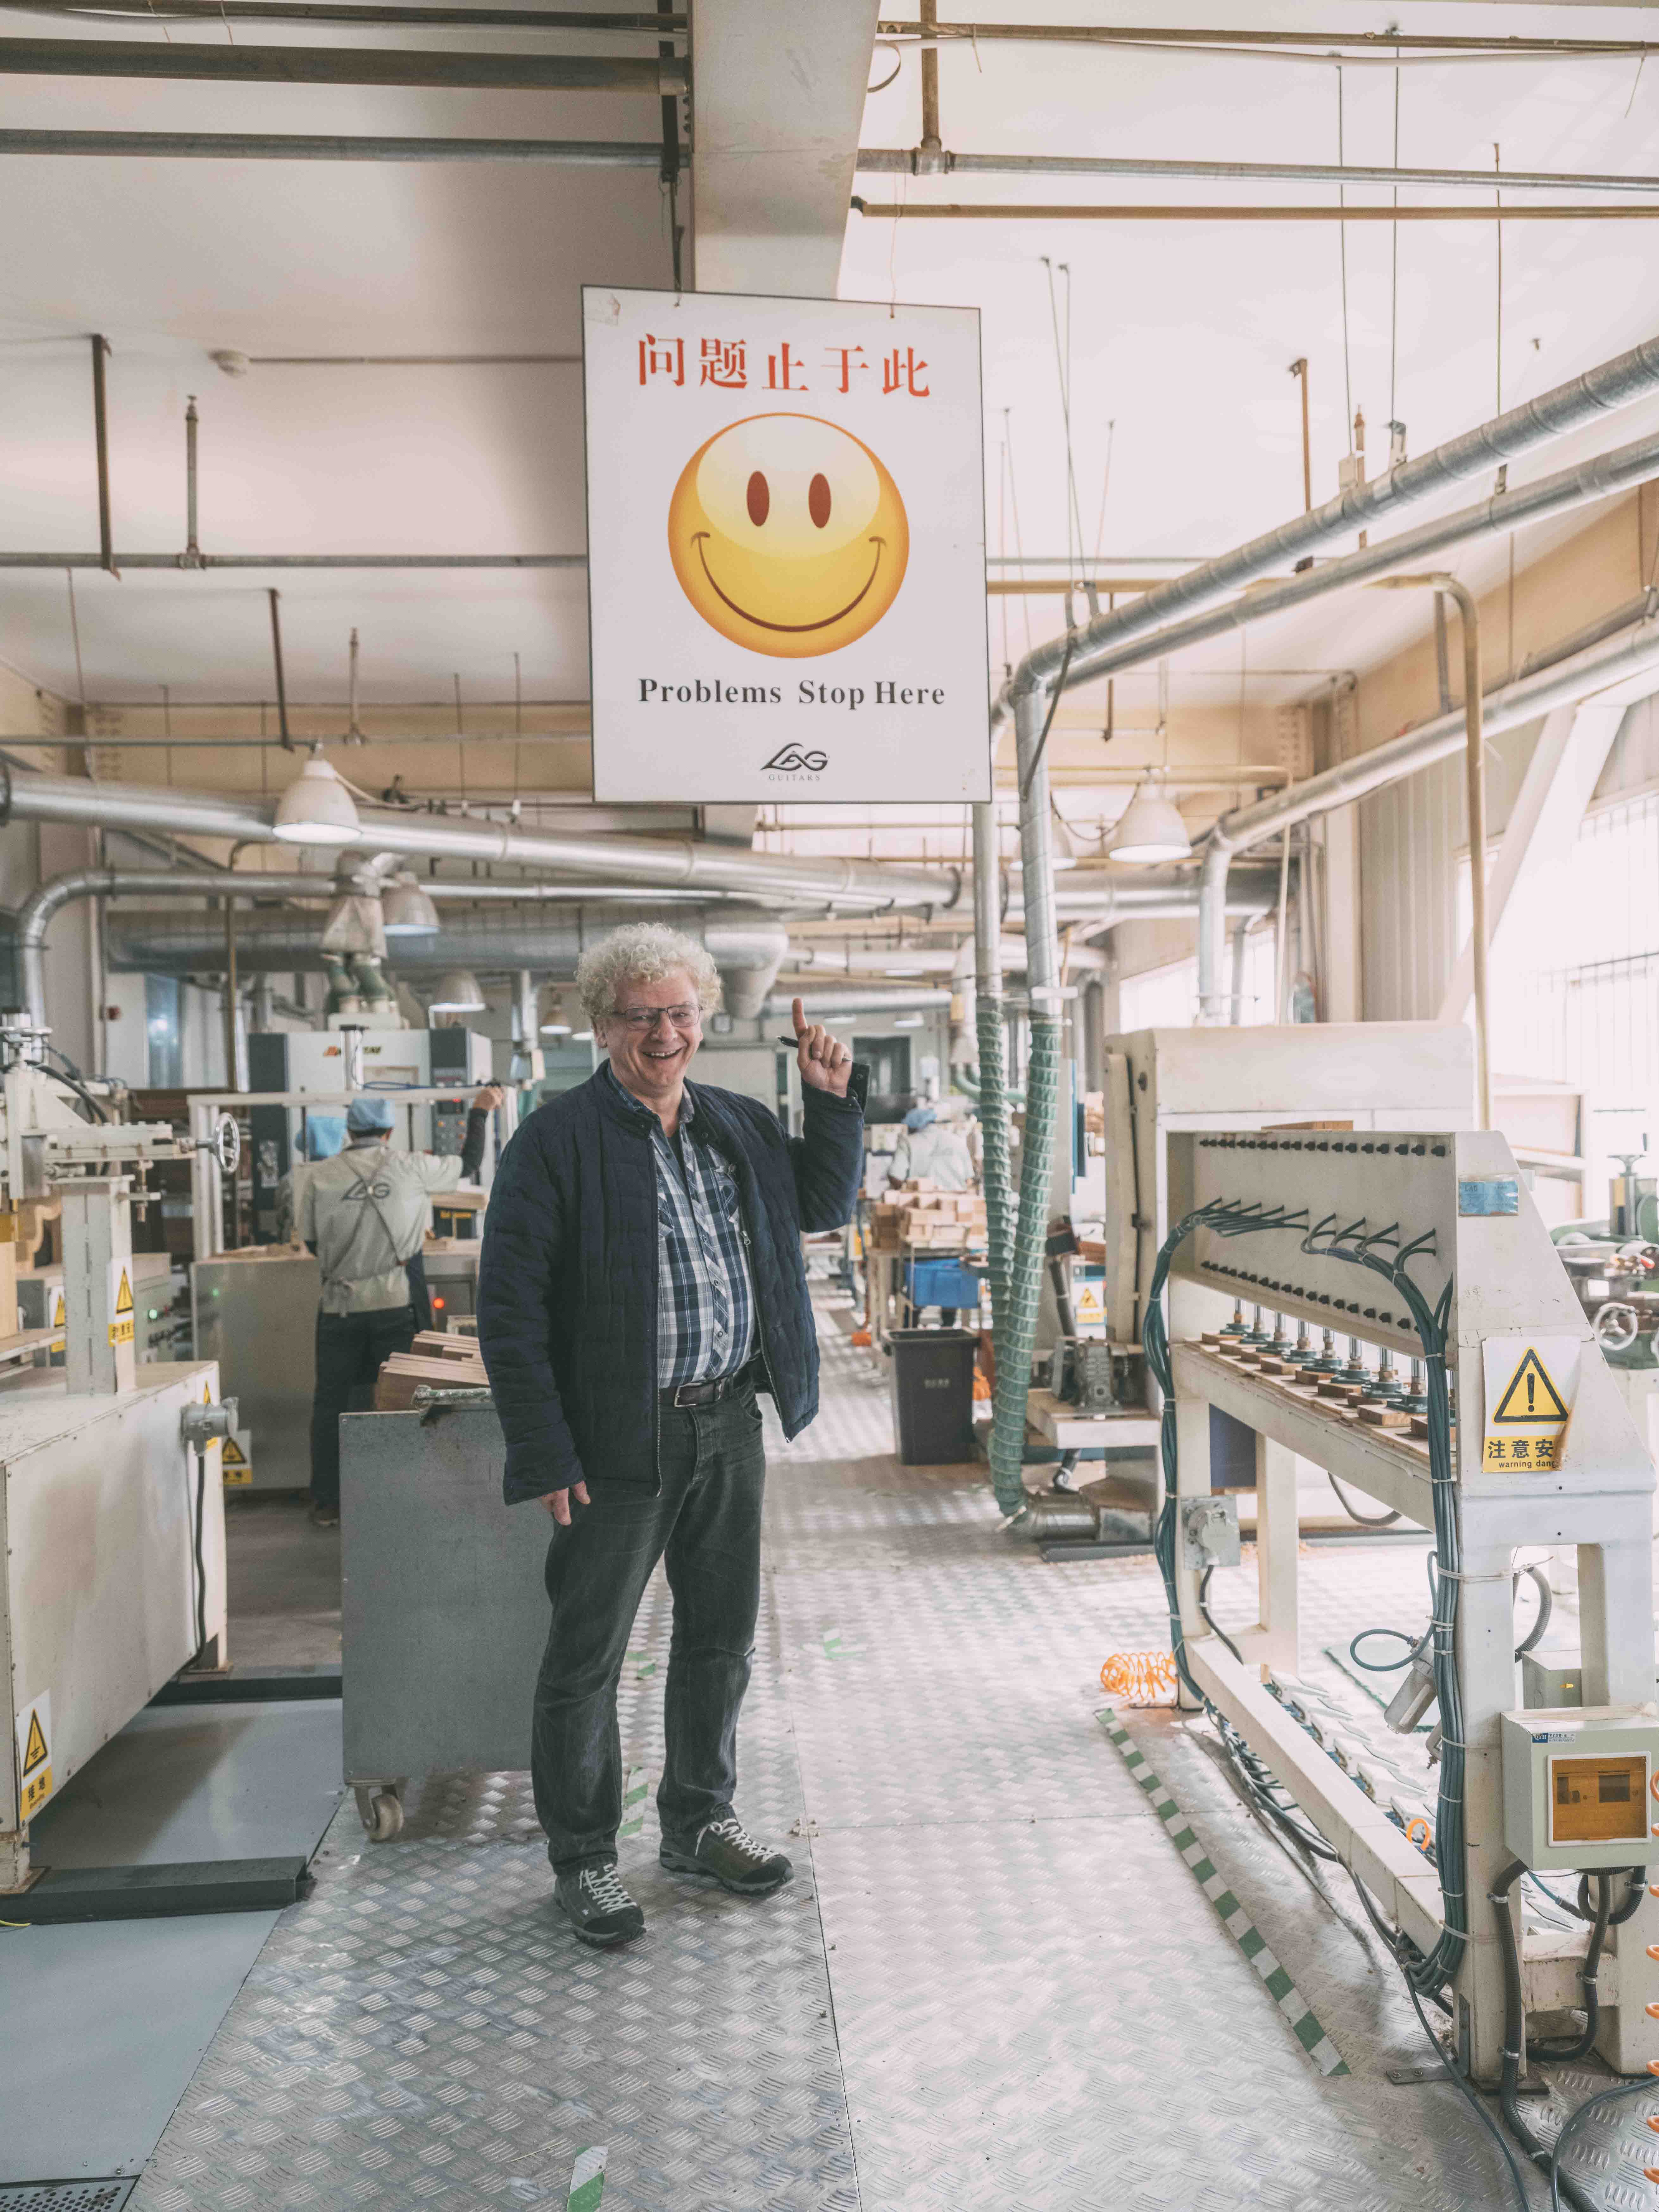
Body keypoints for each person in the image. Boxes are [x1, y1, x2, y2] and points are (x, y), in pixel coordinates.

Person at [476, 923, 863, 1951]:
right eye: (644, 1014)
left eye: (682, 1011)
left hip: (729, 1419)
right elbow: (508, 1310)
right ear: (604, 1025)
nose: (665, 1031)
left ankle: (697, 1822)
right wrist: (545, 1449)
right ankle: (587, 1856)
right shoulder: (556, 1141)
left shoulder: (733, 1122)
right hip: (615, 1436)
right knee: (586, 1656)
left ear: (703, 1019)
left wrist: (829, 1104)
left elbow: (821, 1201)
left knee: (719, 1641)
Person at [302, 1084, 503, 1527]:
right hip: (394, 1303)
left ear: (350, 1130)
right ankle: (403, 1493)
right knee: (404, 1398)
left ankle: (329, 1503)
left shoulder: (318, 1176)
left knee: (332, 1402)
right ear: (390, 1129)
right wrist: (481, 1110)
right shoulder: (410, 1166)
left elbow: (312, 1242)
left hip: (338, 1307)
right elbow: (468, 1165)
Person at [887, 1101, 975, 1192]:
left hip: (921, 1202)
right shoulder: (959, 1141)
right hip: (957, 1202)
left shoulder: (907, 1143)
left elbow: (895, 1176)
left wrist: (904, 1190)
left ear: (912, 1127)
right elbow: (969, 1179)